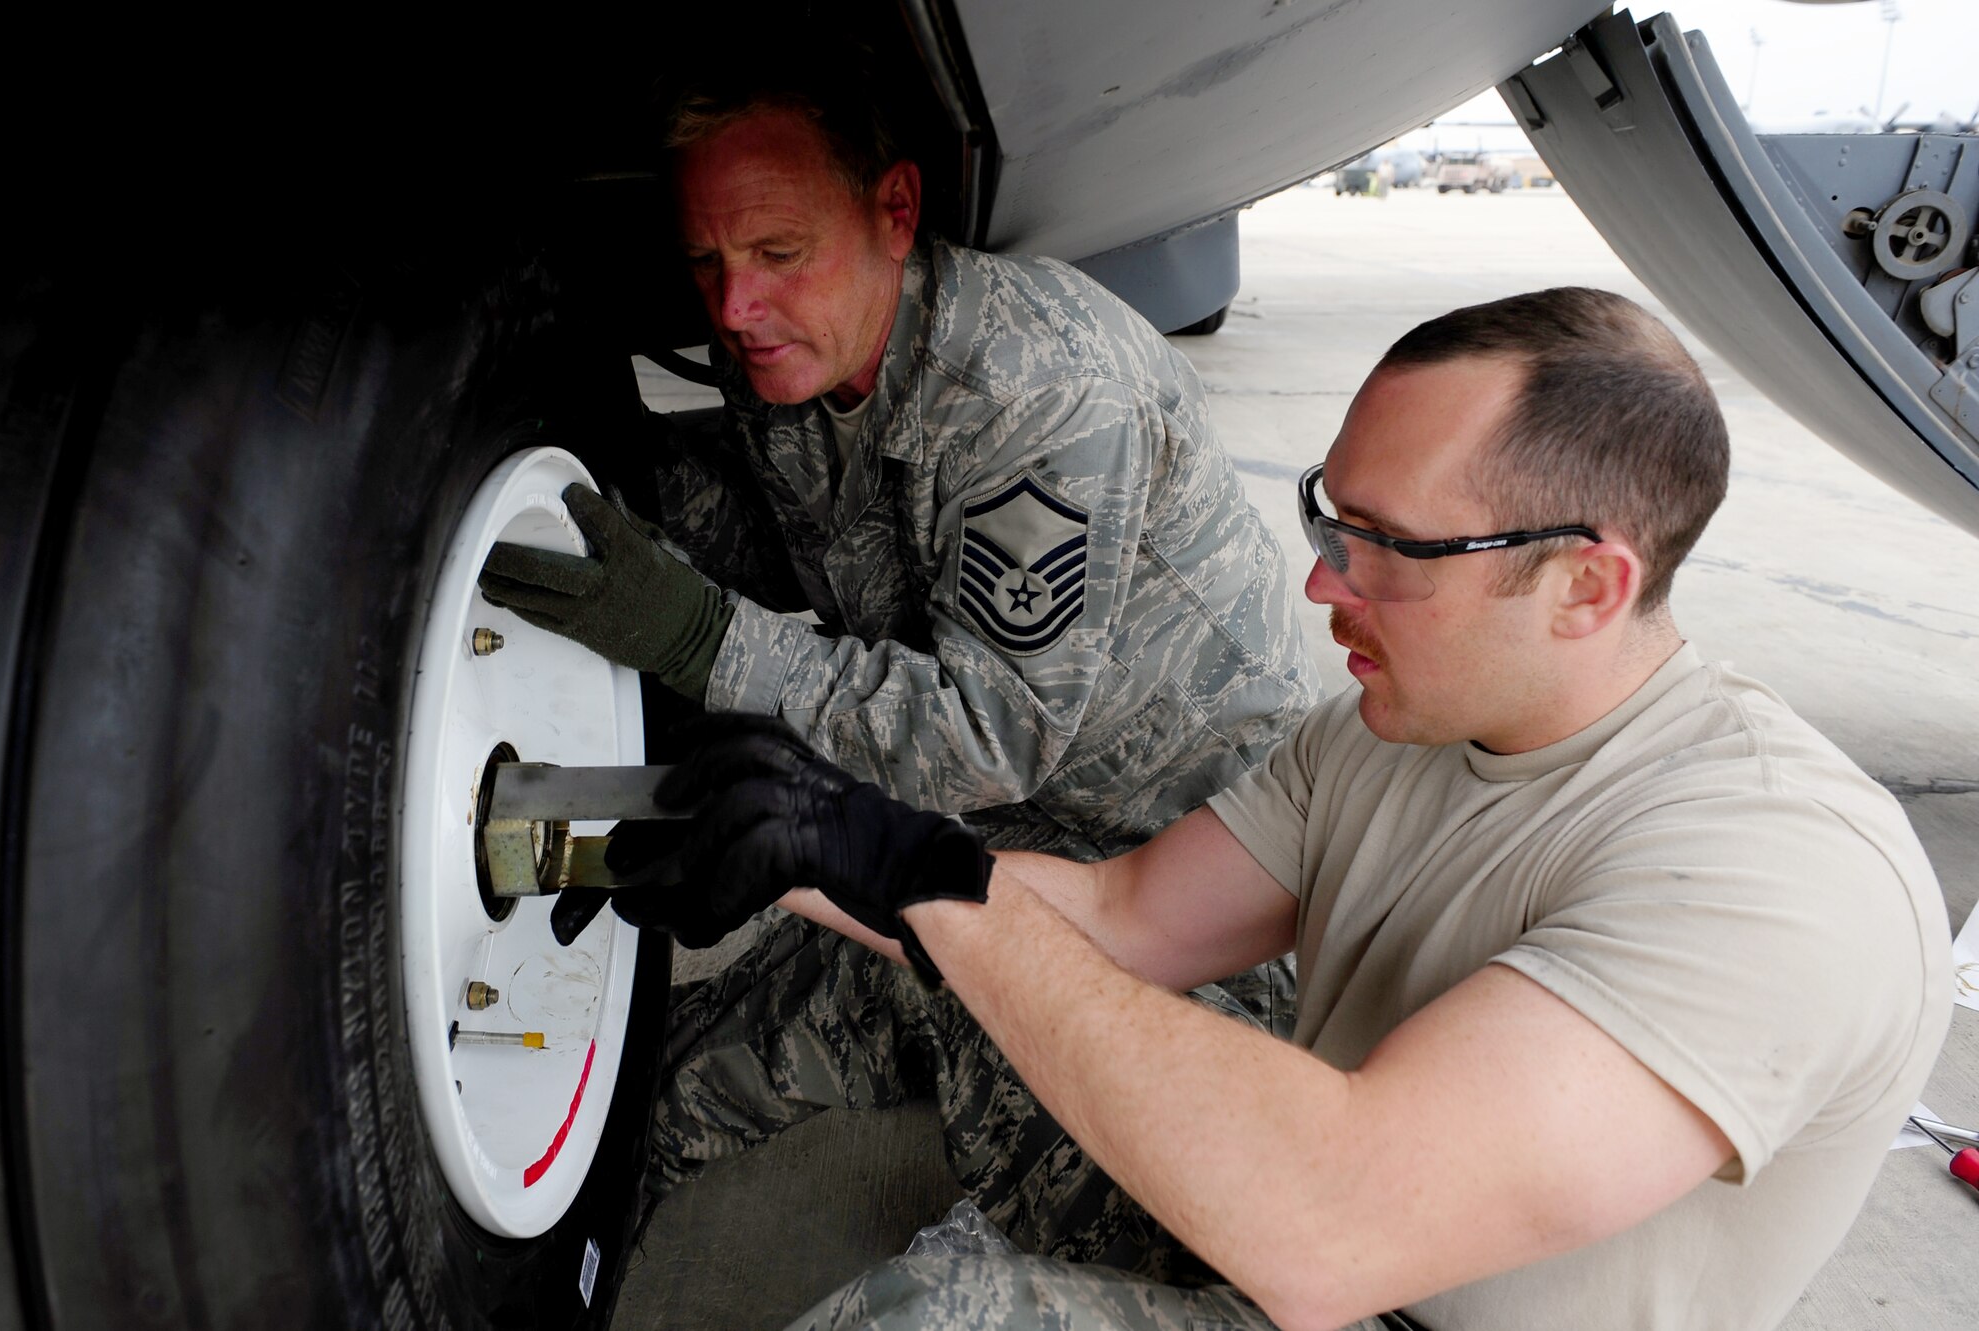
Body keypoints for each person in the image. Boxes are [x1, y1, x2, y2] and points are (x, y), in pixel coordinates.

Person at [632, 286, 1952, 1331]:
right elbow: (1125, 915)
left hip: (1359, 1270)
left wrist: (925, 877)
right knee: (937, 968)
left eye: (1390, 546)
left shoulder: (1779, 873)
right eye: (1331, 516)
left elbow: (1332, 1223)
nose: (1325, 586)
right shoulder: (1400, 730)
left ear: (1587, 587)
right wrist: (817, 843)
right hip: (1311, 1240)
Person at [474, 51, 1313, 1244]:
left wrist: (700, 637)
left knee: (1145, 1204)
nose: (731, 308)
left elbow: (988, 738)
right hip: (992, 836)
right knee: (667, 1088)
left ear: (895, 213)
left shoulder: (1038, 392)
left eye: (775, 254)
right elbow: (801, 532)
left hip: (1178, 888)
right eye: (707, 262)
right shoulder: (795, 343)